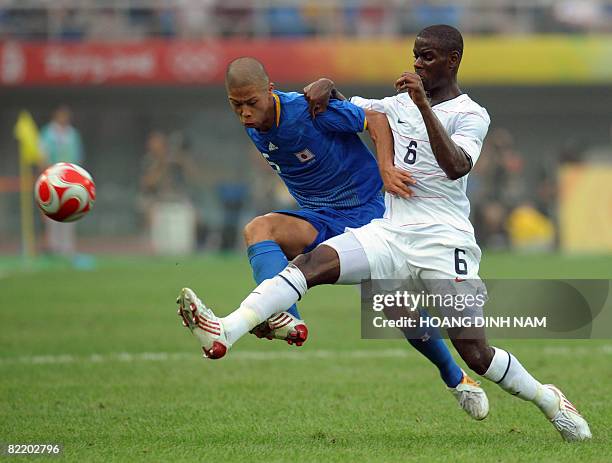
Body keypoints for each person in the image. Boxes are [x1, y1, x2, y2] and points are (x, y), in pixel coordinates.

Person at [175, 27, 591, 442]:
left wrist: (423, 106)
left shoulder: (471, 113)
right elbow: (341, 106)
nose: (417, 64)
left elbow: (456, 165)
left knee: (476, 353)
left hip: (445, 242)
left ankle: (548, 399)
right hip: (389, 232)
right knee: (311, 264)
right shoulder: (393, 103)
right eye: (415, 56)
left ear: (452, 61)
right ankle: (226, 329)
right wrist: (326, 86)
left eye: (427, 57)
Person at [179, 56, 489, 420]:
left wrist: (387, 168)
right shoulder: (255, 123)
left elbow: (374, 119)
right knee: (259, 229)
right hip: (322, 217)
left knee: (395, 308)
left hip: (370, 212)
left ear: (270, 90)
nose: (245, 113)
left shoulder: (308, 110)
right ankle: (285, 319)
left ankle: (456, 378)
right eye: (237, 105)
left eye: (252, 102)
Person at [39, 105, 84, 257]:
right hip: (52, 177)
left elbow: (78, 155)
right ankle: (54, 246)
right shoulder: (48, 133)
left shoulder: (72, 134)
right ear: (56, 116)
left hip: (70, 178)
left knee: (70, 211)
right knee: (53, 212)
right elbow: (42, 156)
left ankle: (67, 247)